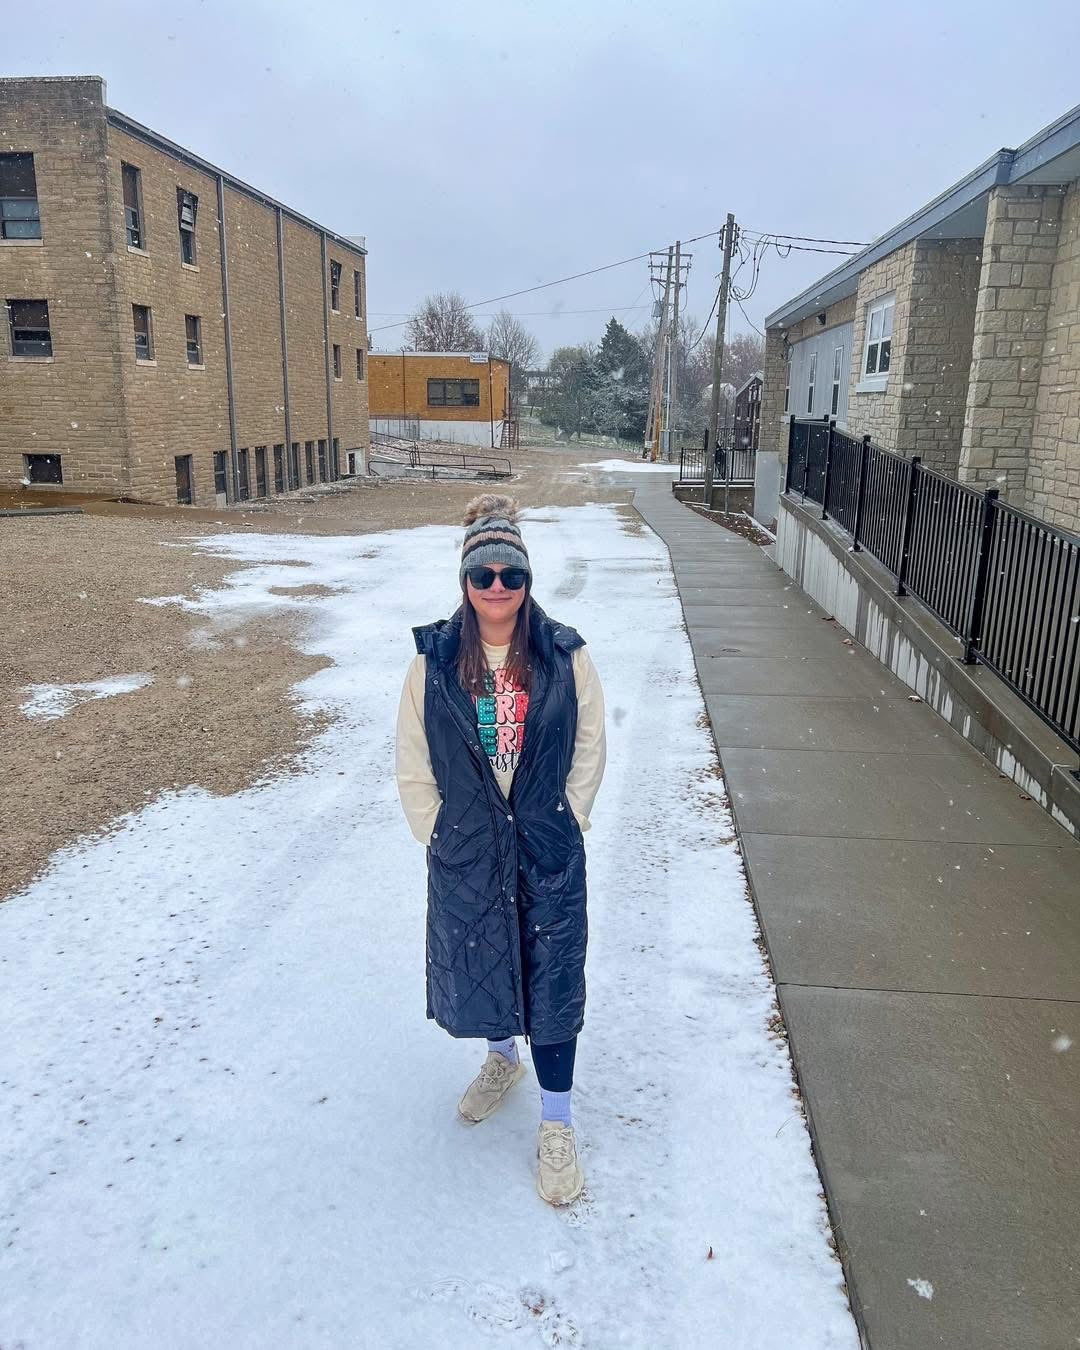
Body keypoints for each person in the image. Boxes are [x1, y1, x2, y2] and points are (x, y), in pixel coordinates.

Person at [395, 494, 606, 1206]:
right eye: (481, 575)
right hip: (470, 849)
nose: (495, 588)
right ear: (464, 581)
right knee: (486, 958)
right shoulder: (433, 662)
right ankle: (499, 1058)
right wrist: (438, 832)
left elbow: (590, 744)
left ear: (527, 582)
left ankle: (556, 1122)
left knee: (550, 977)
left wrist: (566, 816)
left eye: (509, 575)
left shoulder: (563, 655)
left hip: (546, 844)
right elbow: (412, 758)